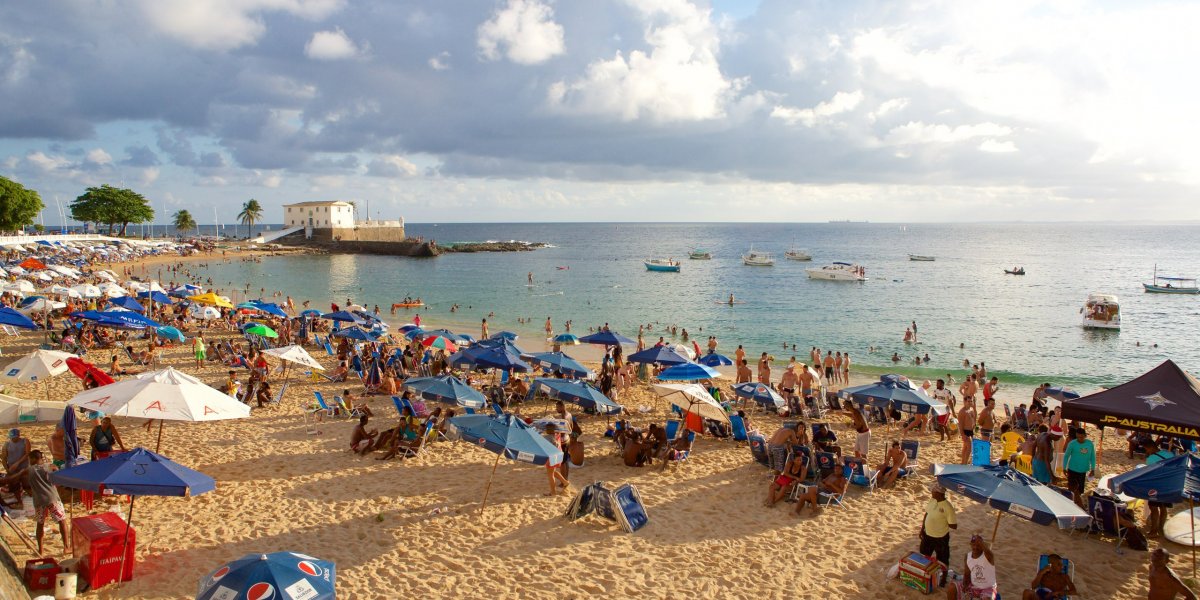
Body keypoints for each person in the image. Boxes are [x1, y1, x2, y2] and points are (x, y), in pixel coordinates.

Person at [26, 450, 69, 556]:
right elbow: (58, 477)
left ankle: (40, 550)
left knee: (40, 524)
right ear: (41, 458)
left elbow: (20, 480)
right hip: (52, 499)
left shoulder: (28, 470)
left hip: (39, 501)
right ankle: (66, 547)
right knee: (62, 521)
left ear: (32, 459)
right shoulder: (50, 466)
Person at [919, 483, 957, 587]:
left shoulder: (948, 507)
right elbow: (926, 514)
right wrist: (922, 529)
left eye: (933, 491)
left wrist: (942, 520)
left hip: (941, 538)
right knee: (923, 555)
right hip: (928, 535)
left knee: (943, 559)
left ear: (939, 493)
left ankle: (943, 580)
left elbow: (954, 525)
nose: (931, 492)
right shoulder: (932, 500)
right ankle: (924, 575)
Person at [947, 534, 996, 600]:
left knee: (986, 599)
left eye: (978, 545)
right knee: (951, 588)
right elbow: (967, 574)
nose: (975, 547)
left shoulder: (988, 557)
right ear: (970, 545)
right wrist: (965, 584)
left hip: (987, 587)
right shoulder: (968, 556)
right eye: (973, 545)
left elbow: (989, 553)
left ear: (982, 546)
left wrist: (981, 543)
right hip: (973, 585)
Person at [1146, 439, 1176, 538]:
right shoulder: (1169, 453)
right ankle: (1161, 529)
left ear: (1150, 447)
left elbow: (1149, 474)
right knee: (1163, 508)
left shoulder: (1150, 459)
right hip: (1168, 485)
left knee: (1154, 508)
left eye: (1146, 449)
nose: (1147, 451)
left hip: (1155, 486)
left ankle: (1154, 531)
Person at [1062, 427, 1096, 507]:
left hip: (1083, 470)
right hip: (1072, 469)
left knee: (1080, 490)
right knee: (1071, 488)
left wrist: (1093, 469)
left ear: (1085, 436)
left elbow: (1092, 457)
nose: (1079, 439)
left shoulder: (1090, 444)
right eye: (1077, 437)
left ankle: (1077, 504)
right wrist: (1064, 467)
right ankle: (1069, 504)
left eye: (1081, 437)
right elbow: (1066, 456)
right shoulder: (1072, 443)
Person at [959, 399, 977, 464]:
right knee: (969, 447)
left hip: (971, 431)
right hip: (965, 431)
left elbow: (974, 420)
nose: (970, 402)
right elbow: (960, 424)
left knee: (965, 447)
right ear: (965, 402)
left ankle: (962, 462)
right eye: (968, 401)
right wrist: (962, 434)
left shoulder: (971, 410)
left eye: (971, 401)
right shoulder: (962, 411)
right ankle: (965, 463)